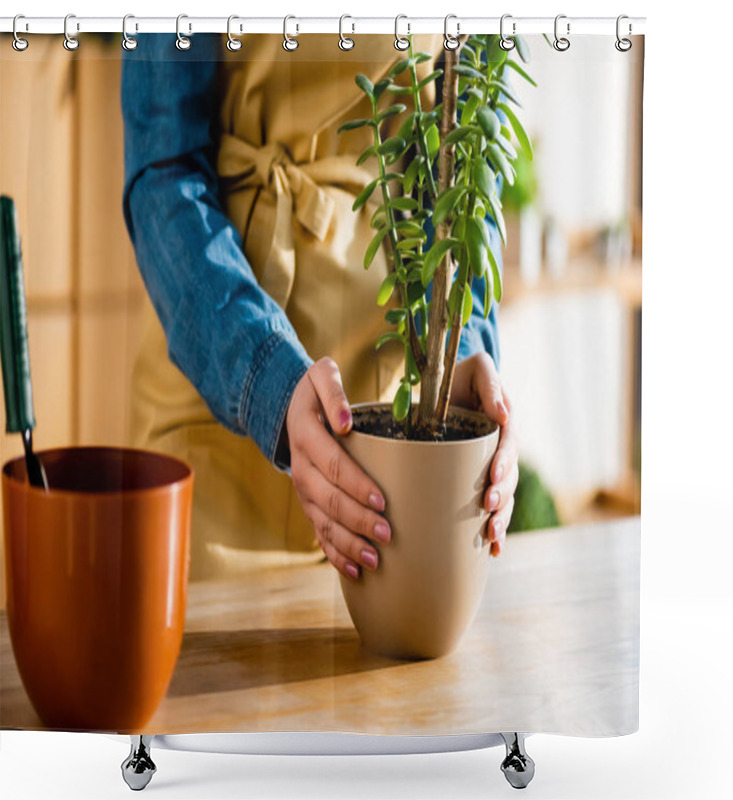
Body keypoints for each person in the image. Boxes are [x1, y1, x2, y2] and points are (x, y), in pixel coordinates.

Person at [120, 32, 519, 582]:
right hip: (216, 394)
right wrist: (270, 386)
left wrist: (462, 348)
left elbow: (467, 160)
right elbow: (163, 172)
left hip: (391, 435)